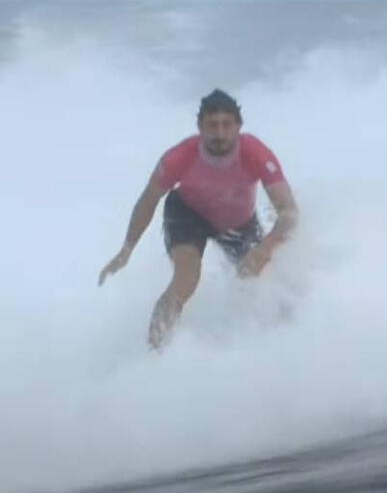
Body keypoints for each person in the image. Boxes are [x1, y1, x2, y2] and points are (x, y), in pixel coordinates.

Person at [98, 89, 299, 349]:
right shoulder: (180, 156)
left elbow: (289, 212)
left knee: (265, 281)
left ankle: (279, 344)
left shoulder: (255, 152)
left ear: (239, 126)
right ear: (199, 127)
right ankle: (153, 354)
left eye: (227, 125)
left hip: (238, 221)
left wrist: (265, 248)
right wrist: (126, 249)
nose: (220, 133)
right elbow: (148, 200)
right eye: (212, 125)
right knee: (187, 278)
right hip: (188, 214)